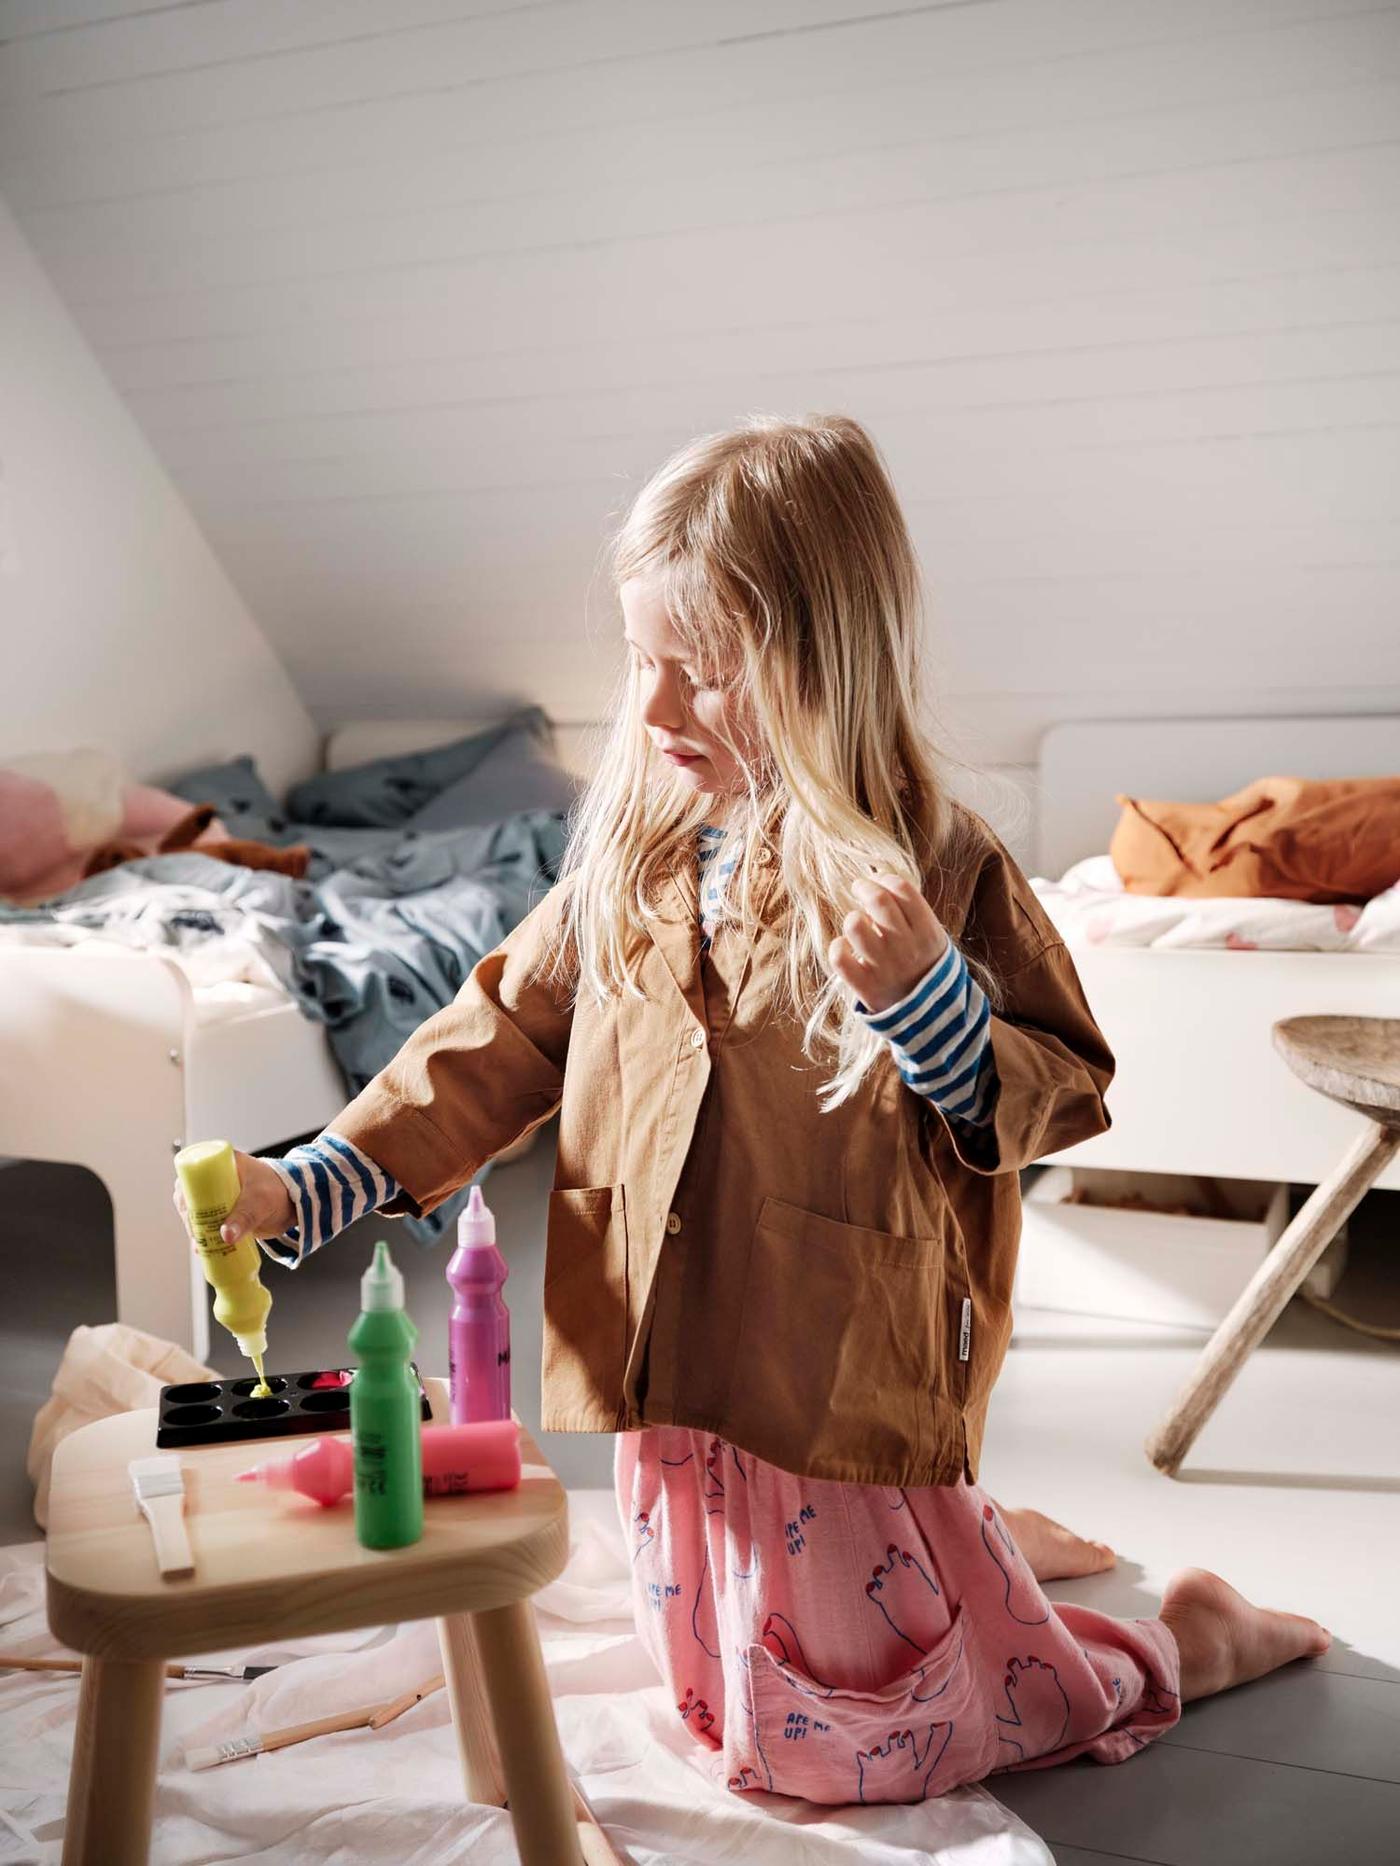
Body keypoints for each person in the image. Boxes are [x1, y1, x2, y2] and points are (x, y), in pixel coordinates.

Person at [176, 415, 1329, 1804]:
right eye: (641, 661)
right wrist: (310, 1183)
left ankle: (1175, 1642)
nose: (655, 710)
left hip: (831, 1371)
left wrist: (930, 1002)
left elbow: (1057, 1082)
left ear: (822, 662)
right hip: (674, 1366)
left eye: (705, 672)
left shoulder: (936, 867)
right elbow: (488, 1039)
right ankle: (985, 1557)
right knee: (717, 1697)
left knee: (850, 1745)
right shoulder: (629, 849)